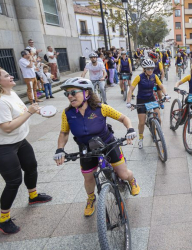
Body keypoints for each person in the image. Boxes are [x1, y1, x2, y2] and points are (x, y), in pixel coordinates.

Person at [54, 78, 140, 217]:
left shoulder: (101, 108)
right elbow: (64, 133)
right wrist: (60, 149)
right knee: (88, 178)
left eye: (73, 92)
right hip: (86, 149)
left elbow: (124, 118)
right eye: (67, 94)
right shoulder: (67, 113)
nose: (70, 96)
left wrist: (130, 129)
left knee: (123, 174)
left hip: (108, 144)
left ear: (86, 93)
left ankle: (131, 180)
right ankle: (90, 198)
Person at [0, 67, 52, 234]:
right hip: (4, 145)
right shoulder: (1, 101)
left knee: (31, 167)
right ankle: (3, 219)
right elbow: (7, 128)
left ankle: (33, 196)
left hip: (20, 140)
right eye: (6, 75)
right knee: (14, 181)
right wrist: (30, 111)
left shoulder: (11, 93)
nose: (11, 76)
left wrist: (35, 110)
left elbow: (21, 114)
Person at [126, 59, 170, 149]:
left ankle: (159, 132)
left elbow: (161, 86)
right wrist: (128, 102)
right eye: (148, 69)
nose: (150, 70)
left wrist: (166, 94)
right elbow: (131, 89)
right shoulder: (139, 77)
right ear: (144, 69)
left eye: (152, 69)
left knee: (158, 117)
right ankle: (141, 138)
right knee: (142, 122)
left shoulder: (154, 76)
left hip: (151, 98)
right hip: (141, 100)